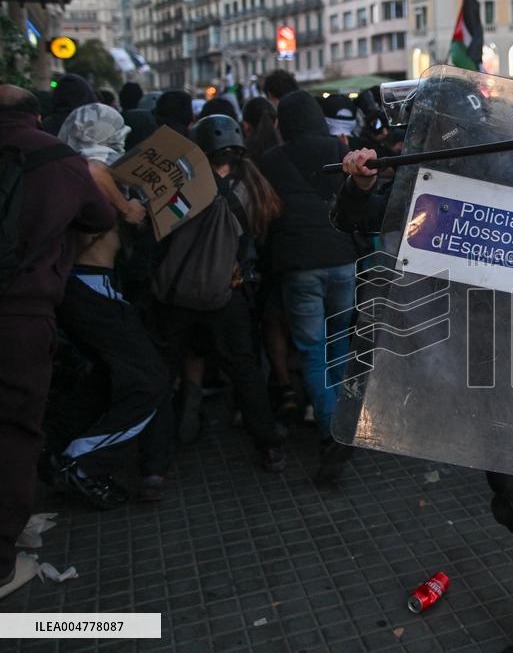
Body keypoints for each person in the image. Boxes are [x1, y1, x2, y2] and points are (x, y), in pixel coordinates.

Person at [334, 75, 513, 652]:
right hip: (476, 346)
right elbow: (362, 221)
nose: (414, 140)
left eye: (424, 128)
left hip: (504, 348)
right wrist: (360, 185)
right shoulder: (435, 175)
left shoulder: (512, 167)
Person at [0, 85, 115, 599]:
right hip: (21, 313)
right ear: (38, 115)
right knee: (16, 430)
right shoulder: (56, 157)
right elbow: (100, 217)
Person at [44, 103, 170, 508]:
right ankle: (80, 462)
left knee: (115, 376)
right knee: (148, 381)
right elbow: (94, 169)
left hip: (92, 286)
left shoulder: (61, 168)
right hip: (90, 286)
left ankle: (73, 453)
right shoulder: (86, 168)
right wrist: (127, 207)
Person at [150, 114, 288, 471]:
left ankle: (154, 466)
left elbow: (158, 230)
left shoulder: (183, 185)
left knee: (163, 375)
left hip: (175, 296)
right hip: (229, 294)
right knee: (244, 370)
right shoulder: (254, 188)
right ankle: (268, 446)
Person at [258, 91, 356, 463]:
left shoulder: (269, 159)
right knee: (340, 342)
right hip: (343, 257)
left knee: (312, 349)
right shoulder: (339, 149)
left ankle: (332, 427)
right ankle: (342, 415)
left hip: (298, 265)